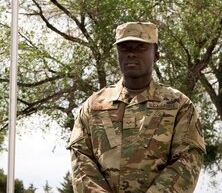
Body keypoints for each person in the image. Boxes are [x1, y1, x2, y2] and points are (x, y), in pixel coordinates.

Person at [68, 22, 206, 192]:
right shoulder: (93, 106)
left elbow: (187, 162)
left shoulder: (179, 106)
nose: (131, 53)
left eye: (140, 47)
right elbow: (81, 161)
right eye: (124, 48)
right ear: (117, 54)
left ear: (156, 55)